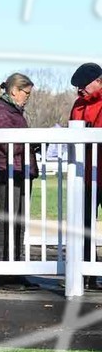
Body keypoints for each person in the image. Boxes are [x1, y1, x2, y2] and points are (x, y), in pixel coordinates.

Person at [0, 73, 38, 290]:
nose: (27, 98)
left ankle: (15, 271)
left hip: (20, 170)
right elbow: (6, 144)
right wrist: (31, 142)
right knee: (9, 221)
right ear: (14, 90)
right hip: (10, 171)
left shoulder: (10, 110)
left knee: (18, 222)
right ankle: (5, 275)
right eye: (26, 93)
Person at [69, 62, 102, 291]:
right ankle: (87, 273)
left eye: (84, 85)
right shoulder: (78, 104)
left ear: (98, 81)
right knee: (84, 226)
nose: (80, 90)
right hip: (86, 174)